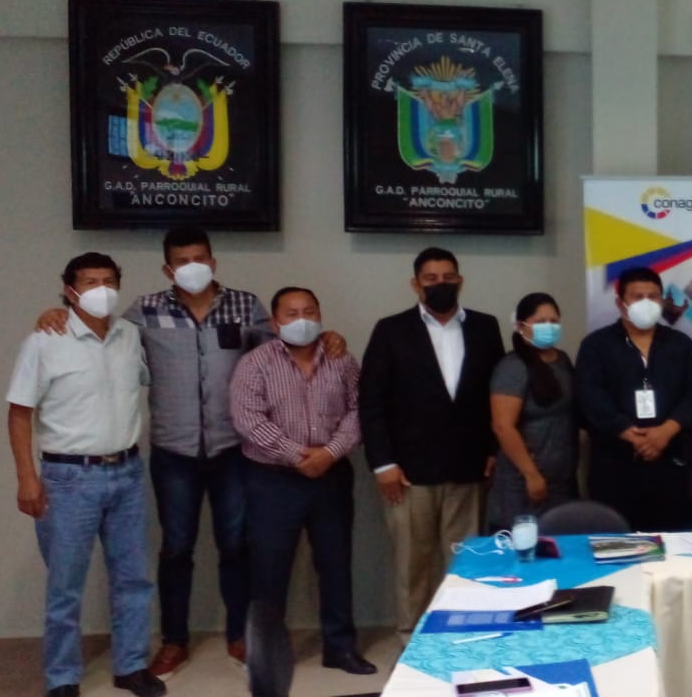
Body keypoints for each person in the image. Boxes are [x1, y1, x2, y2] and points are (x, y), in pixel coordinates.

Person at [30, 228, 337, 675]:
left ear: (212, 262)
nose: (192, 266)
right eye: (182, 260)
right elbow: (100, 331)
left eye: (200, 258)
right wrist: (58, 312)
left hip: (233, 449)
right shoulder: (144, 312)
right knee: (176, 548)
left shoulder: (246, 306)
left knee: (236, 545)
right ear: (167, 268)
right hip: (173, 452)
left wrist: (329, 339)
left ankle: (238, 635)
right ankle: (174, 640)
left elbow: (287, 350)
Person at [8, 253, 165, 697]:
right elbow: (19, 414)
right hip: (68, 478)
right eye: (90, 282)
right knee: (65, 586)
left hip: (128, 472)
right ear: (70, 289)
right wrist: (26, 478)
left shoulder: (129, 335)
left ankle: (131, 666)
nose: (101, 290)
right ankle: (62, 677)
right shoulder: (44, 341)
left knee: (133, 578)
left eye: (109, 281)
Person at [359, 247, 506, 637]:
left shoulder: (485, 327)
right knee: (413, 565)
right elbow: (371, 402)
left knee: (466, 563)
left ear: (460, 280)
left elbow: (496, 396)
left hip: (469, 468)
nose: (441, 284)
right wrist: (383, 464)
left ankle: (463, 636)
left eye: (448, 277)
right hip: (408, 472)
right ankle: (412, 642)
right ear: (415, 284)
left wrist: (492, 451)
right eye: (431, 278)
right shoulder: (390, 330)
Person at [229, 287, 375, 677]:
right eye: (291, 314)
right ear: (275, 322)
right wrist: (298, 455)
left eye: (309, 311)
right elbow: (248, 419)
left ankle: (340, 648)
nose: (302, 320)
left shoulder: (342, 360)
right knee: (269, 570)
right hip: (272, 480)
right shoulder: (255, 363)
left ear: (320, 315)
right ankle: (268, 653)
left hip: (332, 475)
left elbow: (359, 410)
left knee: (335, 563)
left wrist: (329, 453)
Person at [574, 266, 692, 531]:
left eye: (653, 296)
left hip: (669, 463)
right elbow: (589, 396)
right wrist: (630, 434)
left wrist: (665, 432)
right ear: (620, 303)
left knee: (669, 544)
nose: (646, 303)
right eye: (637, 297)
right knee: (616, 542)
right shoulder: (596, 345)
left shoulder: (680, 344)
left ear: (662, 301)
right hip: (614, 465)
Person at [486, 293, 579, 532]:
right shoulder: (512, 367)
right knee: (523, 544)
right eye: (540, 322)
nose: (549, 326)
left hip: (561, 479)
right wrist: (531, 474)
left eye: (553, 321)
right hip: (524, 481)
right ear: (521, 326)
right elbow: (503, 426)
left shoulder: (562, 360)